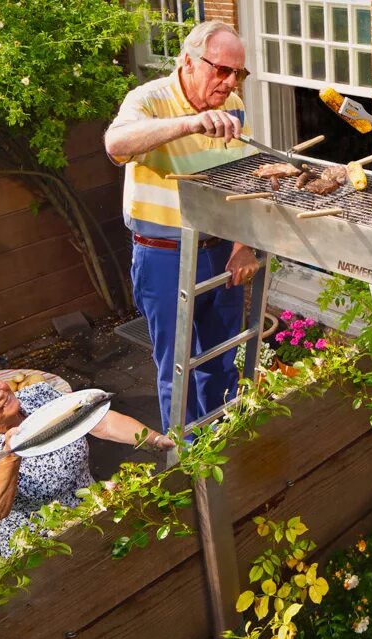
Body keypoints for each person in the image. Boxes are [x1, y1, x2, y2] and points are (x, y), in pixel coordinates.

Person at [104, 20, 261, 435]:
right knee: (177, 365)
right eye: (221, 70)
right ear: (189, 62)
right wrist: (191, 123)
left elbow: (242, 176)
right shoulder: (148, 99)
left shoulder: (233, 105)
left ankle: (226, 442)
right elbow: (116, 145)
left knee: (220, 358)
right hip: (163, 254)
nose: (229, 83)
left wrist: (243, 244)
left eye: (238, 73)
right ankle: (190, 459)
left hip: (219, 247)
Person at [0, 366, 174, 557]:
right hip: (44, 548)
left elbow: (101, 423)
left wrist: (157, 440)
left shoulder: (38, 397)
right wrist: (10, 458)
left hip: (95, 513)